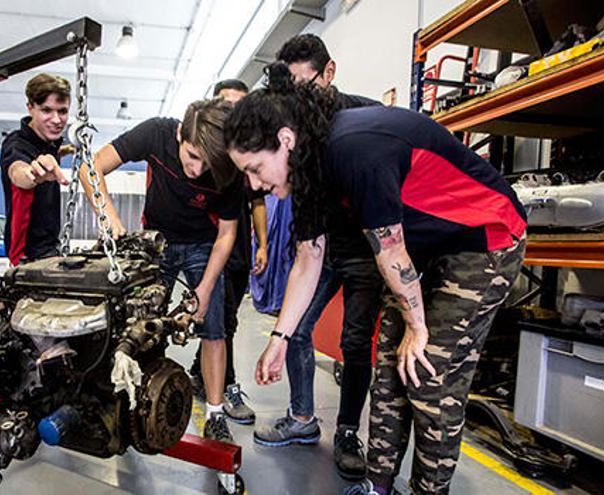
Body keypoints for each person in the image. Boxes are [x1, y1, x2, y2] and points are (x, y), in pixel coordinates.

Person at [222, 63, 526, 495]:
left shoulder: (353, 148)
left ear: (285, 140)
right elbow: (309, 258)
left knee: (428, 372)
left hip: (484, 239)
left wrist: (418, 328)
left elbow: (391, 250)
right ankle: (377, 487)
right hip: (425, 247)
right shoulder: (306, 171)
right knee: (387, 371)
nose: (254, 184)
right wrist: (279, 338)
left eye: (255, 168)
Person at [250, 34, 384, 483]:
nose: (296, 102)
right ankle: (302, 417)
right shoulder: (298, 132)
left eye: (304, 87)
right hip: (321, 245)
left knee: (354, 340)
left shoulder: (363, 118)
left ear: (329, 72)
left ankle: (347, 432)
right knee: (298, 328)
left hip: (369, 248)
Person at [80, 98, 242, 443]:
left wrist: (205, 288)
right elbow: (90, 168)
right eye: (192, 156)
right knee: (138, 325)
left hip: (203, 244)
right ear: (180, 134)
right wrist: (108, 215)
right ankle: (127, 402)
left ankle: (214, 413)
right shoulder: (156, 133)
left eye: (207, 162)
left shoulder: (228, 169)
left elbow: (227, 235)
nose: (198, 169)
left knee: (214, 328)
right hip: (156, 243)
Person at [187, 79, 267, 425]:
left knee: (224, 319)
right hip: (208, 242)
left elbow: (258, 202)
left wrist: (262, 243)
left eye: (240, 105)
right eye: (227, 104)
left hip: (237, 245)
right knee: (223, 321)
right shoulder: (207, 150)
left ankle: (199, 373)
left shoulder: (246, 151)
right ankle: (226, 385)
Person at [0, 73, 70, 265]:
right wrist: (34, 174)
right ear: (30, 108)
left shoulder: (50, 143)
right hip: (27, 256)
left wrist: (64, 151)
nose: (56, 120)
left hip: (50, 247)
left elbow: (48, 155)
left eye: (62, 111)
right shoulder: (16, 143)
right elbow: (17, 172)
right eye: (47, 110)